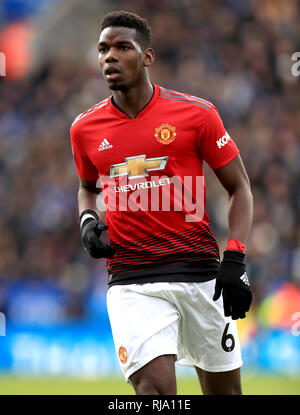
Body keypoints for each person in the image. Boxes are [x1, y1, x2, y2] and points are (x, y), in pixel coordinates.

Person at [70, 10, 253, 395]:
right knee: (154, 395)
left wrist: (235, 259)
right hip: (132, 281)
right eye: (103, 49)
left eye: (122, 47)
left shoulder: (197, 115)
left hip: (201, 276)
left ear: (147, 57)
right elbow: (87, 187)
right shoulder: (84, 129)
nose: (109, 57)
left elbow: (240, 188)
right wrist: (88, 220)